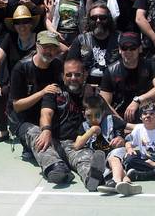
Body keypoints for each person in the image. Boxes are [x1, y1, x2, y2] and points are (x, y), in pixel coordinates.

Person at [30, 57, 108, 189]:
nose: (73, 78)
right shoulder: (54, 91)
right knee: (36, 136)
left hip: (77, 144)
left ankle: (92, 178)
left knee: (86, 159)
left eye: (77, 75)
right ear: (62, 76)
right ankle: (56, 169)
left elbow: (110, 115)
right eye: (68, 75)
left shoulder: (93, 94)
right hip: (52, 141)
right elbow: (46, 113)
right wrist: (46, 130)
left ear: (85, 75)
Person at [9, 31, 65, 162]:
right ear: (37, 46)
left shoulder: (58, 65)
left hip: (49, 116)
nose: (49, 51)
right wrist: (42, 93)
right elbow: (17, 106)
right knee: (40, 141)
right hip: (24, 119)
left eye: (53, 47)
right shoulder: (21, 68)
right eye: (46, 47)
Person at [0, 5, 40, 143]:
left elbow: (63, 49)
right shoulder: (10, 38)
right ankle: (3, 130)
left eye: (25, 21)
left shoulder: (40, 38)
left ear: (31, 23)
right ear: (14, 25)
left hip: (36, 87)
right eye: (18, 22)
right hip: (15, 87)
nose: (22, 26)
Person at [99, 32, 155, 124]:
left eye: (133, 48)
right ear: (120, 50)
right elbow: (104, 103)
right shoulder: (110, 70)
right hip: (119, 115)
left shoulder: (149, 65)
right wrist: (122, 123)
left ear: (140, 49)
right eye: (124, 48)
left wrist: (138, 100)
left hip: (145, 112)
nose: (128, 52)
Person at [82, 95, 135, 195]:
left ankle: (116, 182)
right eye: (89, 116)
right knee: (107, 171)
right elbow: (76, 145)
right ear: (84, 114)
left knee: (113, 159)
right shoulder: (84, 126)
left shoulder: (112, 120)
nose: (93, 119)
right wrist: (91, 131)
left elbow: (133, 127)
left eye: (97, 115)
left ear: (103, 113)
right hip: (104, 160)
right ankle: (126, 183)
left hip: (117, 152)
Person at [67, 3, 121, 89]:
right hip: (86, 87)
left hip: (114, 87)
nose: (98, 21)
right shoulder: (81, 40)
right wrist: (82, 86)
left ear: (109, 19)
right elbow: (69, 68)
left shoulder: (119, 39)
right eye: (94, 18)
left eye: (102, 17)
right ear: (89, 20)